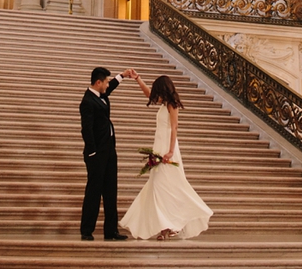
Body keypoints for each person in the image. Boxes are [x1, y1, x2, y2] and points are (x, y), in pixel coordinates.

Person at [121, 73, 213, 241]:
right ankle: (166, 226)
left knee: (167, 186)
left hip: (168, 149)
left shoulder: (172, 105)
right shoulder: (163, 104)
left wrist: (170, 151)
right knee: (158, 186)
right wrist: (137, 79)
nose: (156, 94)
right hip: (159, 147)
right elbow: (149, 94)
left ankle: (170, 225)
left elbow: (174, 128)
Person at [79, 66, 134, 241]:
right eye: (106, 82)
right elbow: (86, 130)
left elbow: (110, 88)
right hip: (97, 154)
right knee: (94, 192)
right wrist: (93, 152)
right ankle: (87, 230)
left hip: (109, 151)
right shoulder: (87, 102)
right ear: (98, 82)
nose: (107, 85)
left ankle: (111, 231)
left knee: (111, 191)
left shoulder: (100, 95)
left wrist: (123, 76)